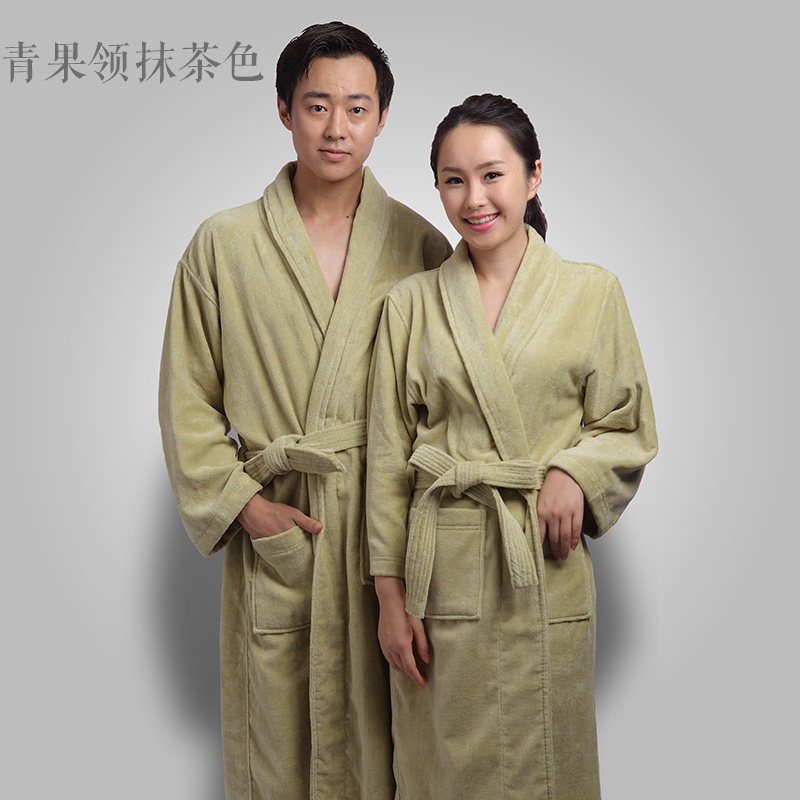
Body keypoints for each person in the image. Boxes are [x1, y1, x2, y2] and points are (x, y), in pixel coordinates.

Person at [158, 22, 451, 800]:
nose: (336, 128)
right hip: (284, 528)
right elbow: (187, 401)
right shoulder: (222, 246)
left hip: (390, 538)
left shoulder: (423, 246)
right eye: (318, 106)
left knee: (400, 747)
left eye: (357, 108)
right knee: (278, 743)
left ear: (383, 118)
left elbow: (450, 409)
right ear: (285, 109)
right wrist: (246, 508)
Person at [366, 94, 658, 800]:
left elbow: (627, 425)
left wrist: (574, 472)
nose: (474, 199)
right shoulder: (410, 304)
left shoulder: (592, 292)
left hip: (543, 570)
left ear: (533, 176)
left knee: (546, 766)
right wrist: (390, 599)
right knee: (443, 767)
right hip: (441, 575)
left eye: (492, 175)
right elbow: (386, 461)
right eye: (453, 180)